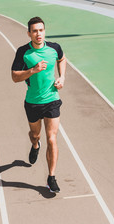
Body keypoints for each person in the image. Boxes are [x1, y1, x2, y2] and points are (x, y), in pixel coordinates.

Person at [11, 16, 66, 193]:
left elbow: (62, 59)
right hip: (33, 103)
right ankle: (35, 145)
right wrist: (32, 70)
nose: (38, 34)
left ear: (44, 31)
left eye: (41, 30)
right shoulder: (23, 52)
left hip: (51, 100)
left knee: (52, 138)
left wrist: (62, 77)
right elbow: (14, 77)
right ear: (29, 33)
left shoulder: (54, 48)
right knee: (36, 135)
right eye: (34, 31)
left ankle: (51, 177)